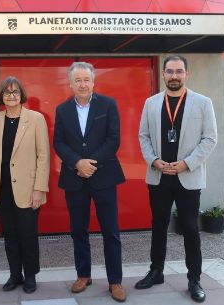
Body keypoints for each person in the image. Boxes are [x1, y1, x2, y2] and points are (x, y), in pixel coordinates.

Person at [137, 55, 217, 303]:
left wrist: (187, 163)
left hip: (188, 177)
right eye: (169, 71)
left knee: (191, 229)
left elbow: (210, 139)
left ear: (187, 74)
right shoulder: (151, 103)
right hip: (159, 176)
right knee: (158, 225)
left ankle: (194, 279)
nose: (174, 76)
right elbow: (144, 136)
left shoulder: (203, 103)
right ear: (163, 74)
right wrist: (153, 161)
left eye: (179, 71)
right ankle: (156, 271)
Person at [53, 62, 127, 302]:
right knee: (78, 230)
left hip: (103, 176)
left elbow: (113, 139)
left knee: (111, 232)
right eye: (78, 80)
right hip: (75, 179)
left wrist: (90, 163)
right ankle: (83, 275)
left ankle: (115, 281)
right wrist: (77, 163)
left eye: (86, 79)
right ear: (71, 84)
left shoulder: (108, 104)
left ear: (93, 82)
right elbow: (59, 143)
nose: (82, 84)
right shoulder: (62, 110)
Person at [0, 77, 50, 293]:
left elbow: (43, 156)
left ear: (21, 95)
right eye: (6, 93)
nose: (11, 96)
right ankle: (15, 274)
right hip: (2, 187)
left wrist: (39, 189)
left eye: (15, 92)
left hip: (28, 188)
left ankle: (30, 275)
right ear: (1, 96)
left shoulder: (35, 119)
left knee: (27, 234)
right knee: (10, 235)